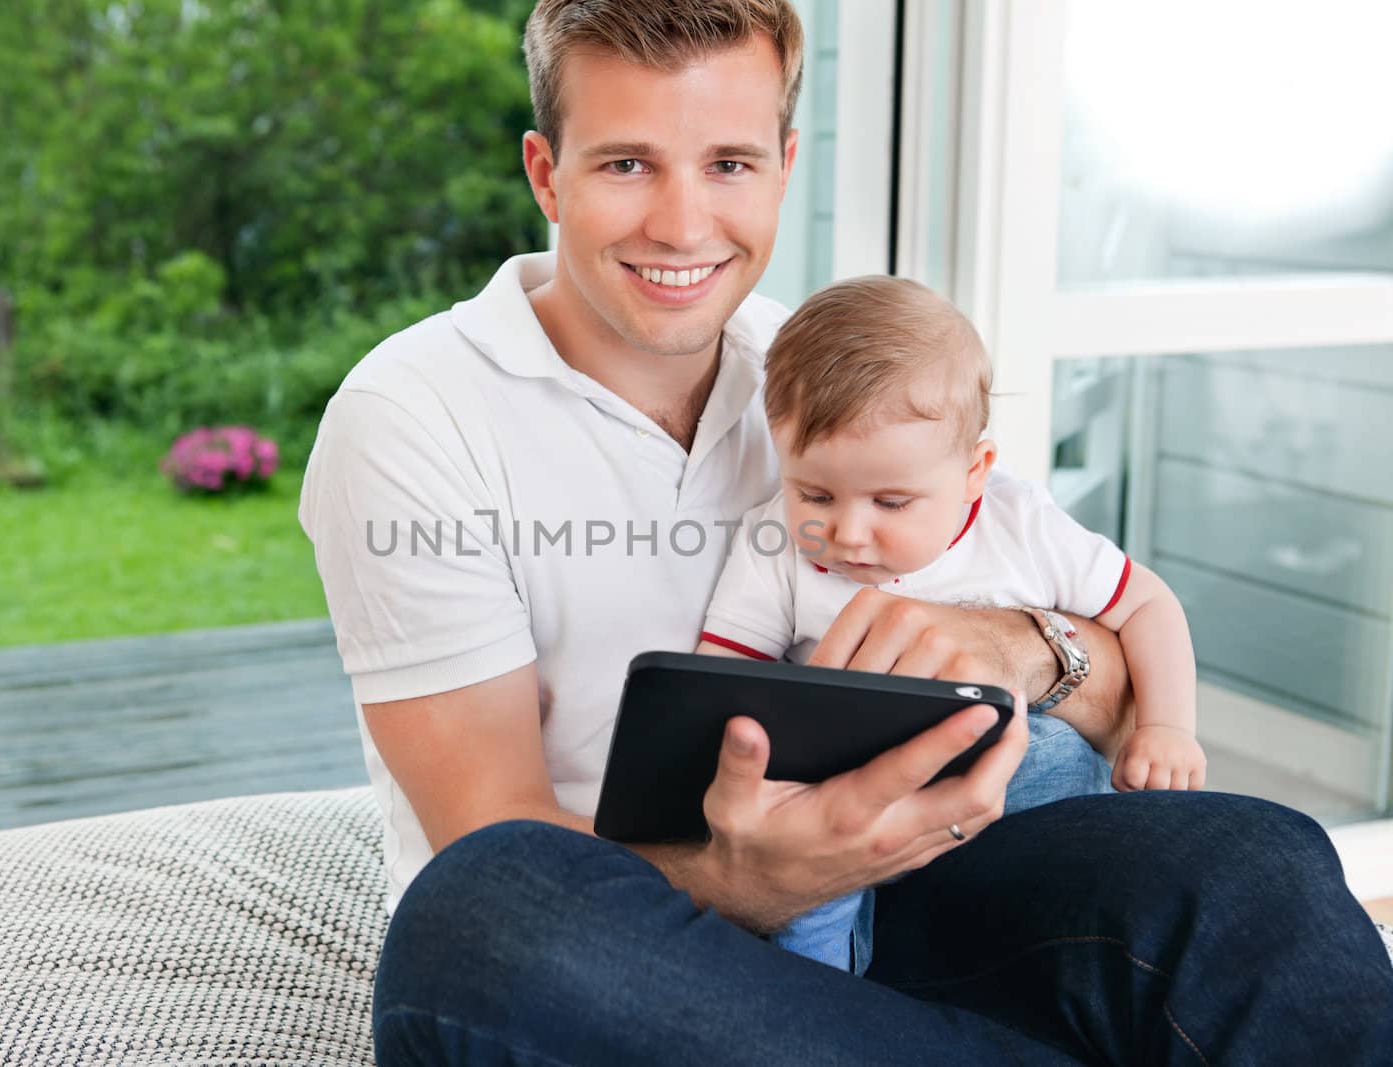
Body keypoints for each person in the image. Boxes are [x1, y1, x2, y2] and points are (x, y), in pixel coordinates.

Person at [300, 2, 1393, 1062]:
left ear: (782, 163)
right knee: (485, 910)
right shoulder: (412, 417)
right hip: (631, 936)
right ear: (546, 171)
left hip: (911, 880)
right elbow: (490, 823)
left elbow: (1109, 686)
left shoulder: (828, 379)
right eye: (627, 164)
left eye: (727, 164)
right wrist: (759, 876)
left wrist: (1011, 645)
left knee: (1250, 856)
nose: (682, 224)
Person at [697, 275, 1207, 972]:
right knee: (801, 871)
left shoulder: (1017, 523)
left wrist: (1167, 726)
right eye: (814, 493)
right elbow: (726, 680)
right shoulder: (774, 547)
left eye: (891, 501)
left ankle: (1061, 939)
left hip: (1007, 778)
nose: (848, 532)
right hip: (850, 795)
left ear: (975, 471)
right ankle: (818, 991)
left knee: (1062, 756)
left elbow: (1148, 605)